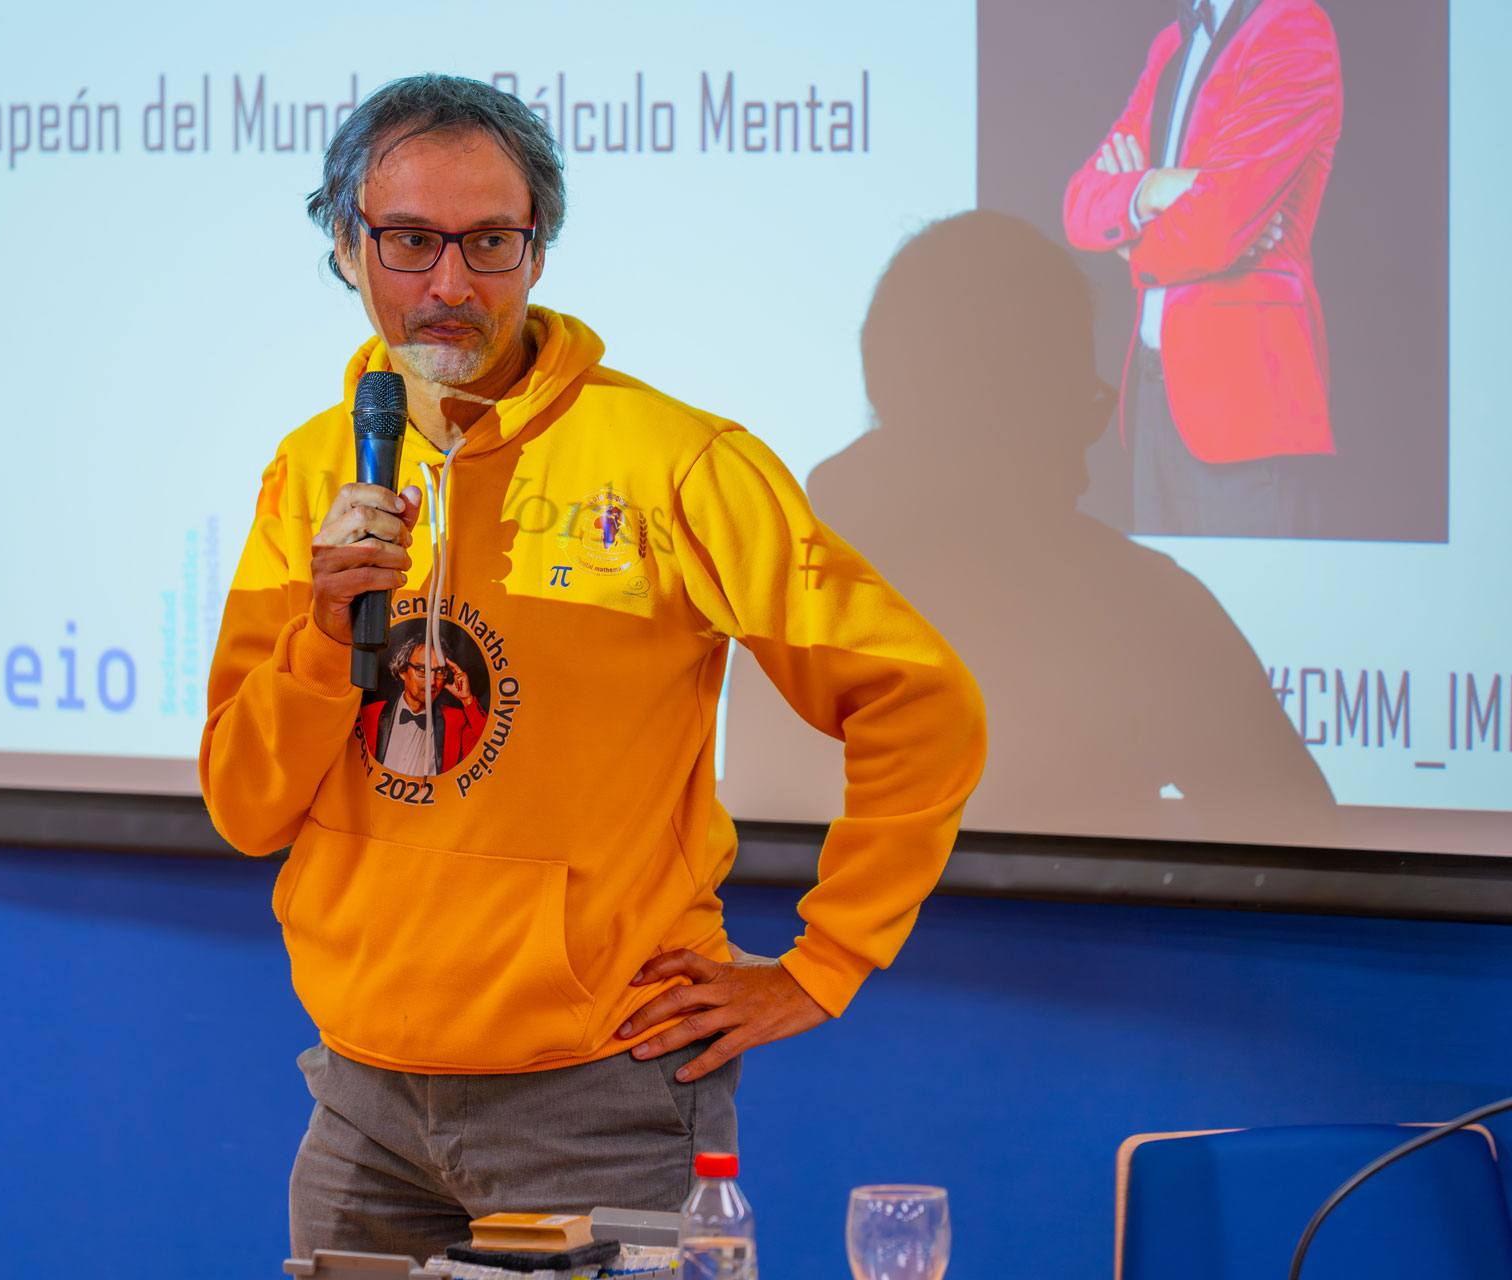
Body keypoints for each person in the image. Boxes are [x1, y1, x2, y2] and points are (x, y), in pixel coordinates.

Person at [198, 73, 985, 1264]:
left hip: (600, 1101)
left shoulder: (679, 463)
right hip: (359, 1096)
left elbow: (918, 697)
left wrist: (825, 963)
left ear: (538, 250)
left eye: (490, 242)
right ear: (349, 247)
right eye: (410, 241)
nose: (450, 284)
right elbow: (245, 805)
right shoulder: (312, 470)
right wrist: (322, 636)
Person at [722, 211, 1338, 847]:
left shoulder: (785, 599)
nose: (1087, 456)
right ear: (1026, 408)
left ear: (884, 388)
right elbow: (1313, 859)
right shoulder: (1143, 612)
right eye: (1081, 404)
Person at [1061, 0, 1343, 537]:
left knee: (1254, 615)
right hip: (1153, 397)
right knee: (1165, 618)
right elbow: (1079, 203)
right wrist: (1159, 186)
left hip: (1247, 407)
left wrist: (1130, 238)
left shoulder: (1294, 27)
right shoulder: (1171, 43)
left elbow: (1214, 227)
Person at [360, 633, 485, 774]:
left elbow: (491, 753)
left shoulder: (455, 720)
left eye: (439, 672)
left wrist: (467, 700)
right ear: (402, 670)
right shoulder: (370, 714)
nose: (432, 682)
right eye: (422, 670)